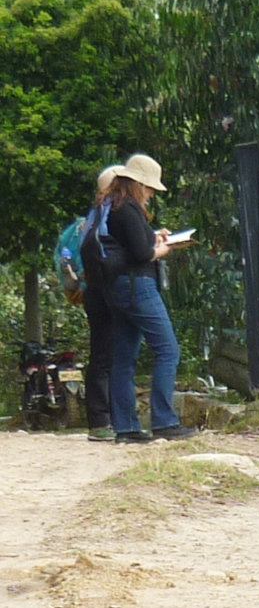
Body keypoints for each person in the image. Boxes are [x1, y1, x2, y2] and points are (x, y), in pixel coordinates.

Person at [103, 153, 195, 443]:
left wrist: (154, 236)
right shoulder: (127, 210)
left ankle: (126, 427)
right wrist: (163, 249)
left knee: (125, 357)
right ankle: (164, 421)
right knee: (168, 350)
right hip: (138, 286)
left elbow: (131, 245)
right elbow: (141, 254)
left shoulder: (114, 207)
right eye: (150, 188)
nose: (152, 193)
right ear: (137, 184)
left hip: (118, 287)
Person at [82, 164, 120, 441]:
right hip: (107, 289)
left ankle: (100, 420)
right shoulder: (111, 213)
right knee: (110, 355)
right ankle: (104, 420)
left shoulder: (92, 215)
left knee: (101, 353)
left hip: (92, 289)